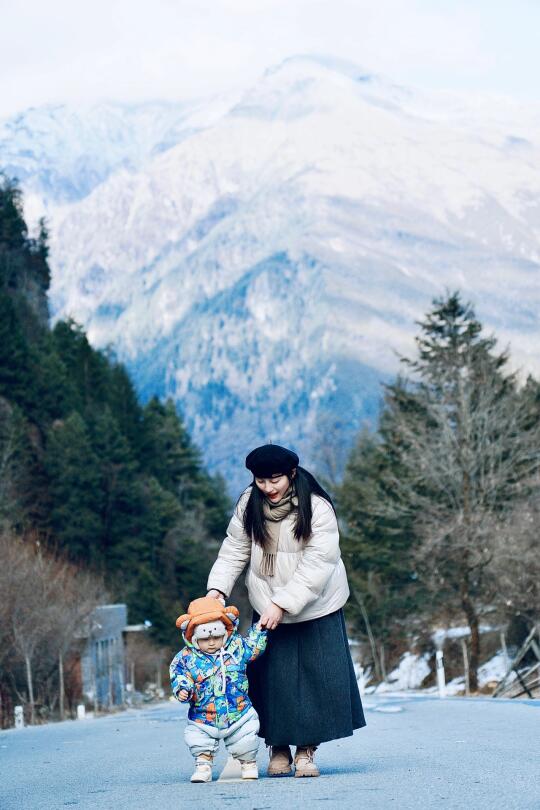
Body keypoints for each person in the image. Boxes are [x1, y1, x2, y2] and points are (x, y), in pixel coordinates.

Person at [207, 443, 366, 778]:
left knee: (313, 679)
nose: (269, 488)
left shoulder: (317, 508)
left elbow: (317, 564)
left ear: (291, 474)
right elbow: (235, 547)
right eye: (261, 481)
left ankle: (306, 750)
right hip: (266, 601)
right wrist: (217, 590)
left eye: (275, 480)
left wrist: (284, 603)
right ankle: (277, 747)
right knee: (270, 679)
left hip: (316, 604)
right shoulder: (249, 503)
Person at [169, 595, 267, 783]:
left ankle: (248, 764)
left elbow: (253, 649)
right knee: (199, 741)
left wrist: (259, 632)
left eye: (217, 637)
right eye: (205, 639)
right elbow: (179, 674)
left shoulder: (236, 646)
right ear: (193, 637)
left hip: (238, 711)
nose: (212, 642)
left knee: (245, 739)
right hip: (203, 715)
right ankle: (203, 765)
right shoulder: (186, 658)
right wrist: (183, 688)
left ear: (226, 632)